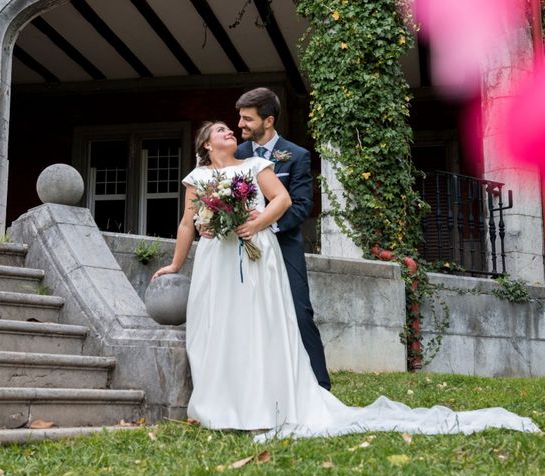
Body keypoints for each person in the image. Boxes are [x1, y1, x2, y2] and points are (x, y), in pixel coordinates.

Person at [152, 120, 540, 439]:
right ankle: (218, 405)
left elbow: (282, 201)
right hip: (215, 261)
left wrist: (256, 222)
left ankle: (261, 405)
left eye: (230, 129)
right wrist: (174, 264)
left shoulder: (254, 166)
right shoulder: (197, 177)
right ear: (206, 144)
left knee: (258, 328)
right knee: (220, 329)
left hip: (254, 255)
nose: (230, 132)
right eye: (221, 130)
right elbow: (188, 222)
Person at [234, 87, 330, 390]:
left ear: (269, 120)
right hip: (242, 244)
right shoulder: (236, 155)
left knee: (300, 310)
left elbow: (302, 204)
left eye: (248, 119)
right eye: (240, 118)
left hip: (283, 241)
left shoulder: (296, 156)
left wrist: (266, 227)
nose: (241, 125)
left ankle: (319, 385)